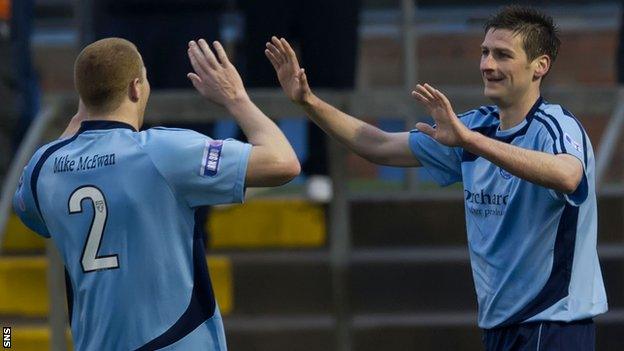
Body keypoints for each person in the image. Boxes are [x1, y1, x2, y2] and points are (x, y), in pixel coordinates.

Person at [266, 5, 606, 351]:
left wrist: (470, 141)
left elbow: (568, 175)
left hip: (552, 324)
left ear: (540, 66)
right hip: (501, 326)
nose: (488, 65)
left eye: (503, 55)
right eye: (485, 53)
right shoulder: (475, 125)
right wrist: (308, 101)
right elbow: (378, 144)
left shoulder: (554, 126)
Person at [13, 37, 299, 350]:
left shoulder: (44, 167)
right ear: (136, 87)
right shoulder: (164, 152)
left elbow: (28, 210)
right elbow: (283, 162)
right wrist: (236, 98)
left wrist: (81, 113)